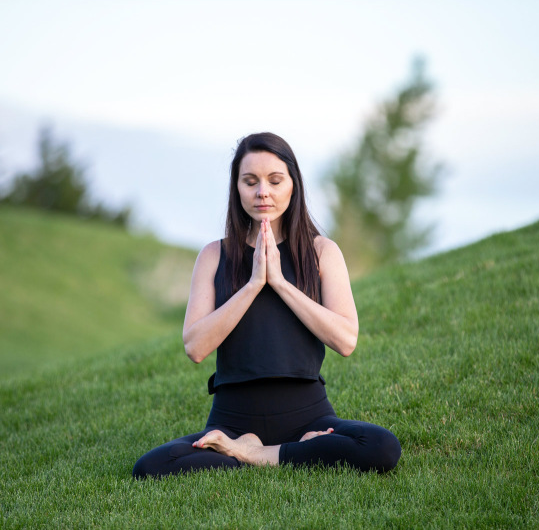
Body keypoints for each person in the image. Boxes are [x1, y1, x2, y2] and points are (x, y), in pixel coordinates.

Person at [132, 132, 401, 478]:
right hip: (232, 420)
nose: (263, 192)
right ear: (237, 188)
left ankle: (254, 454)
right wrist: (254, 283)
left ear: (293, 185)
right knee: (151, 467)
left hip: (309, 416)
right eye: (250, 181)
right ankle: (279, 450)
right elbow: (195, 347)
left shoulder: (322, 252)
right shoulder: (213, 256)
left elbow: (346, 340)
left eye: (275, 180)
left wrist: (280, 283)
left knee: (381, 447)